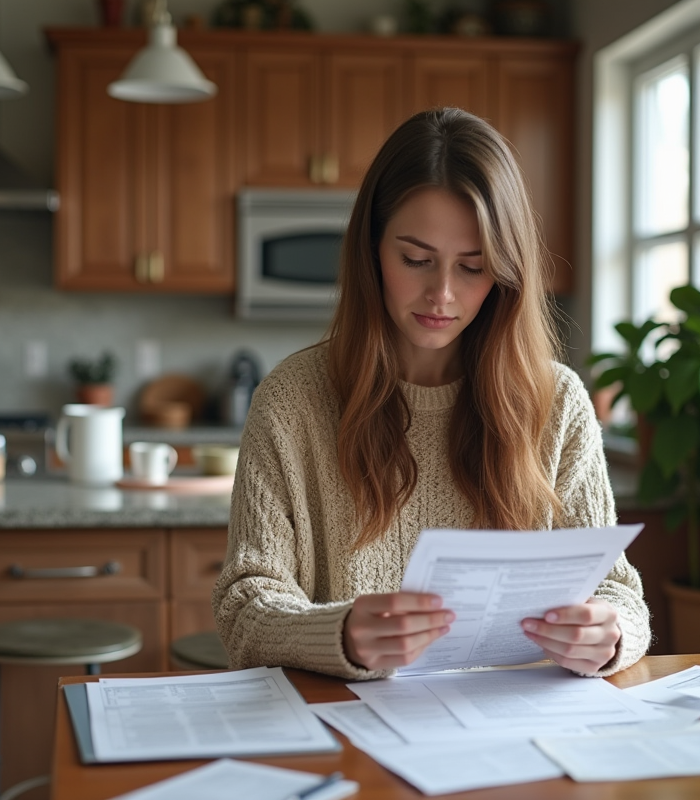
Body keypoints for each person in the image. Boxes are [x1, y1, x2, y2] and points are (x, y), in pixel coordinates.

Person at [213, 107, 650, 680]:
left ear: (505, 274)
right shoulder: (291, 402)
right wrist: (339, 635)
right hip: (349, 733)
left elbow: (619, 592)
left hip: (518, 737)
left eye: (472, 267)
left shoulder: (558, 403)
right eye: (415, 259)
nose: (441, 294)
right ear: (371, 249)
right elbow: (244, 606)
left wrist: (610, 633)